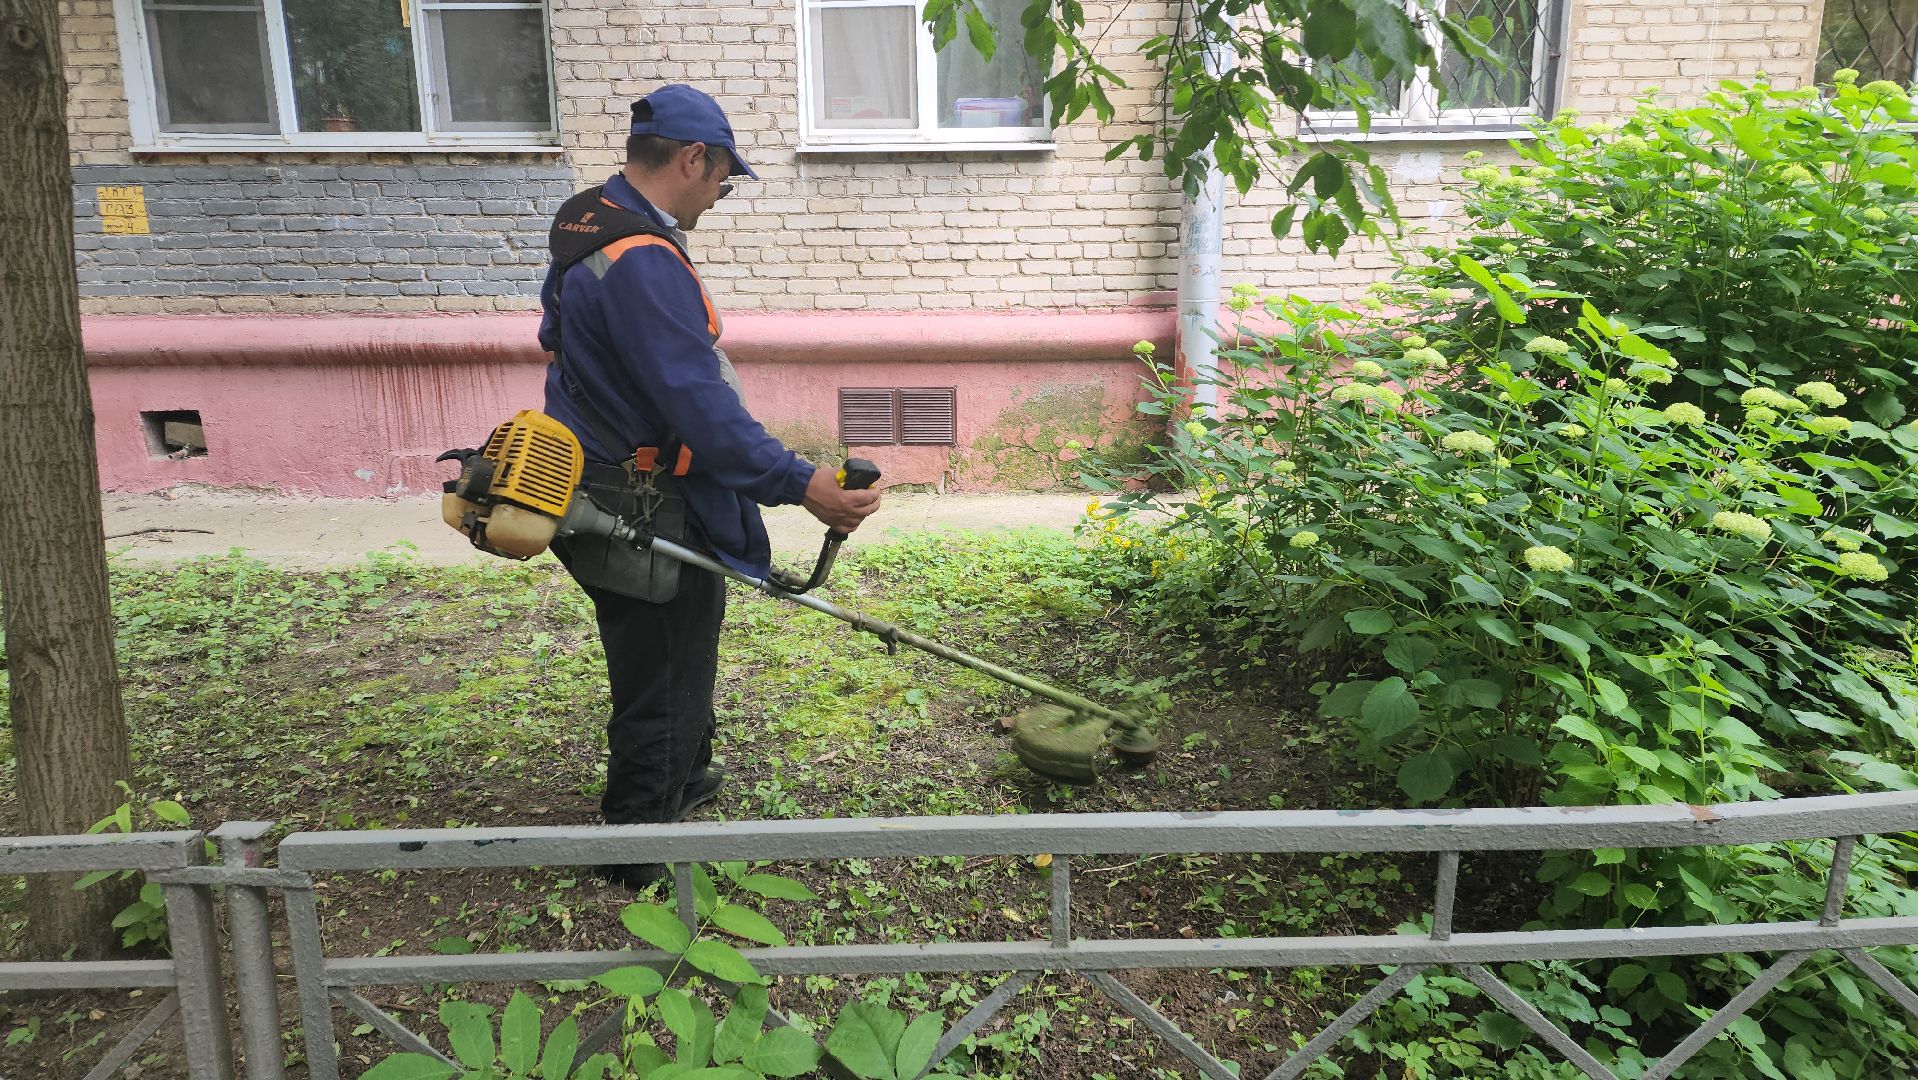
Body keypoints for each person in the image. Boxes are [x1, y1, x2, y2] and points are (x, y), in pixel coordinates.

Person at [537, 85, 880, 889]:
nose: (720, 196)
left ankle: (683, 778)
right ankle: (634, 848)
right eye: (722, 179)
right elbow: (700, 407)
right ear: (694, 158)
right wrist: (803, 486)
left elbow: (558, 338)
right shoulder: (645, 261)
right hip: (637, 498)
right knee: (661, 663)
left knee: (682, 641)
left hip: (600, 481)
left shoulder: (591, 218)